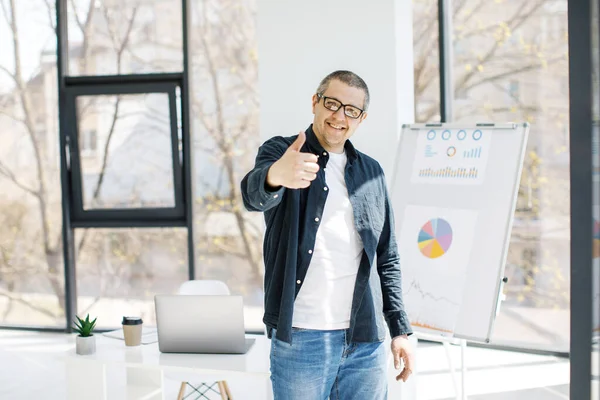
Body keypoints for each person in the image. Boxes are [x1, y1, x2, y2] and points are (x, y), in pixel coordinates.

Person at [240, 70, 414, 400]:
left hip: (365, 339)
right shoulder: (282, 151)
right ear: (315, 103)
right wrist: (277, 175)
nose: (339, 116)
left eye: (351, 110)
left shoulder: (371, 171)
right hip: (302, 336)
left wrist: (399, 329)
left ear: (361, 118)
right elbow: (254, 195)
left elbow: (386, 255)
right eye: (332, 104)